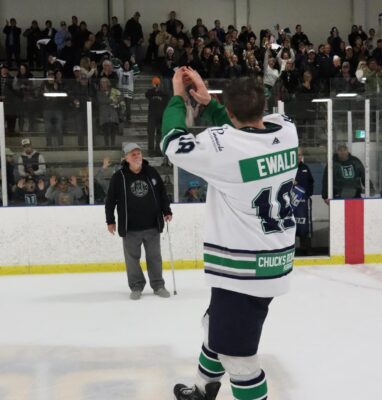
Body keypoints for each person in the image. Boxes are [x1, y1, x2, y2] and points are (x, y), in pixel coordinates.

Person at [161, 67, 298, 400]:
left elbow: (172, 143)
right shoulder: (287, 130)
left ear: (231, 112)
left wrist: (179, 98)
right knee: (216, 327)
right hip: (272, 260)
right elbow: (244, 131)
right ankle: (202, 388)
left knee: (239, 360)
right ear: (263, 106)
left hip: (244, 271)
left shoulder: (222, 146)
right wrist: (212, 105)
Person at [105, 143, 173, 300]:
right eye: (133, 154)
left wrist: (167, 210)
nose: (137, 156)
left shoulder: (151, 172)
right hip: (130, 228)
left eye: (138, 153)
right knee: (132, 260)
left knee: (154, 257)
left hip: (152, 225)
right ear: (126, 158)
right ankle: (136, 286)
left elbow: (162, 193)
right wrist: (110, 221)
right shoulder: (119, 177)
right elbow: (110, 201)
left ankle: (158, 285)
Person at [292, 147, 314, 256]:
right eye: (297, 155)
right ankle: (290, 250)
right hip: (290, 203)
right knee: (290, 226)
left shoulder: (305, 168)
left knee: (305, 226)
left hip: (303, 202)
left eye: (300, 155)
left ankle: (307, 248)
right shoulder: (286, 169)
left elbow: (311, 182)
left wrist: (307, 194)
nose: (299, 157)